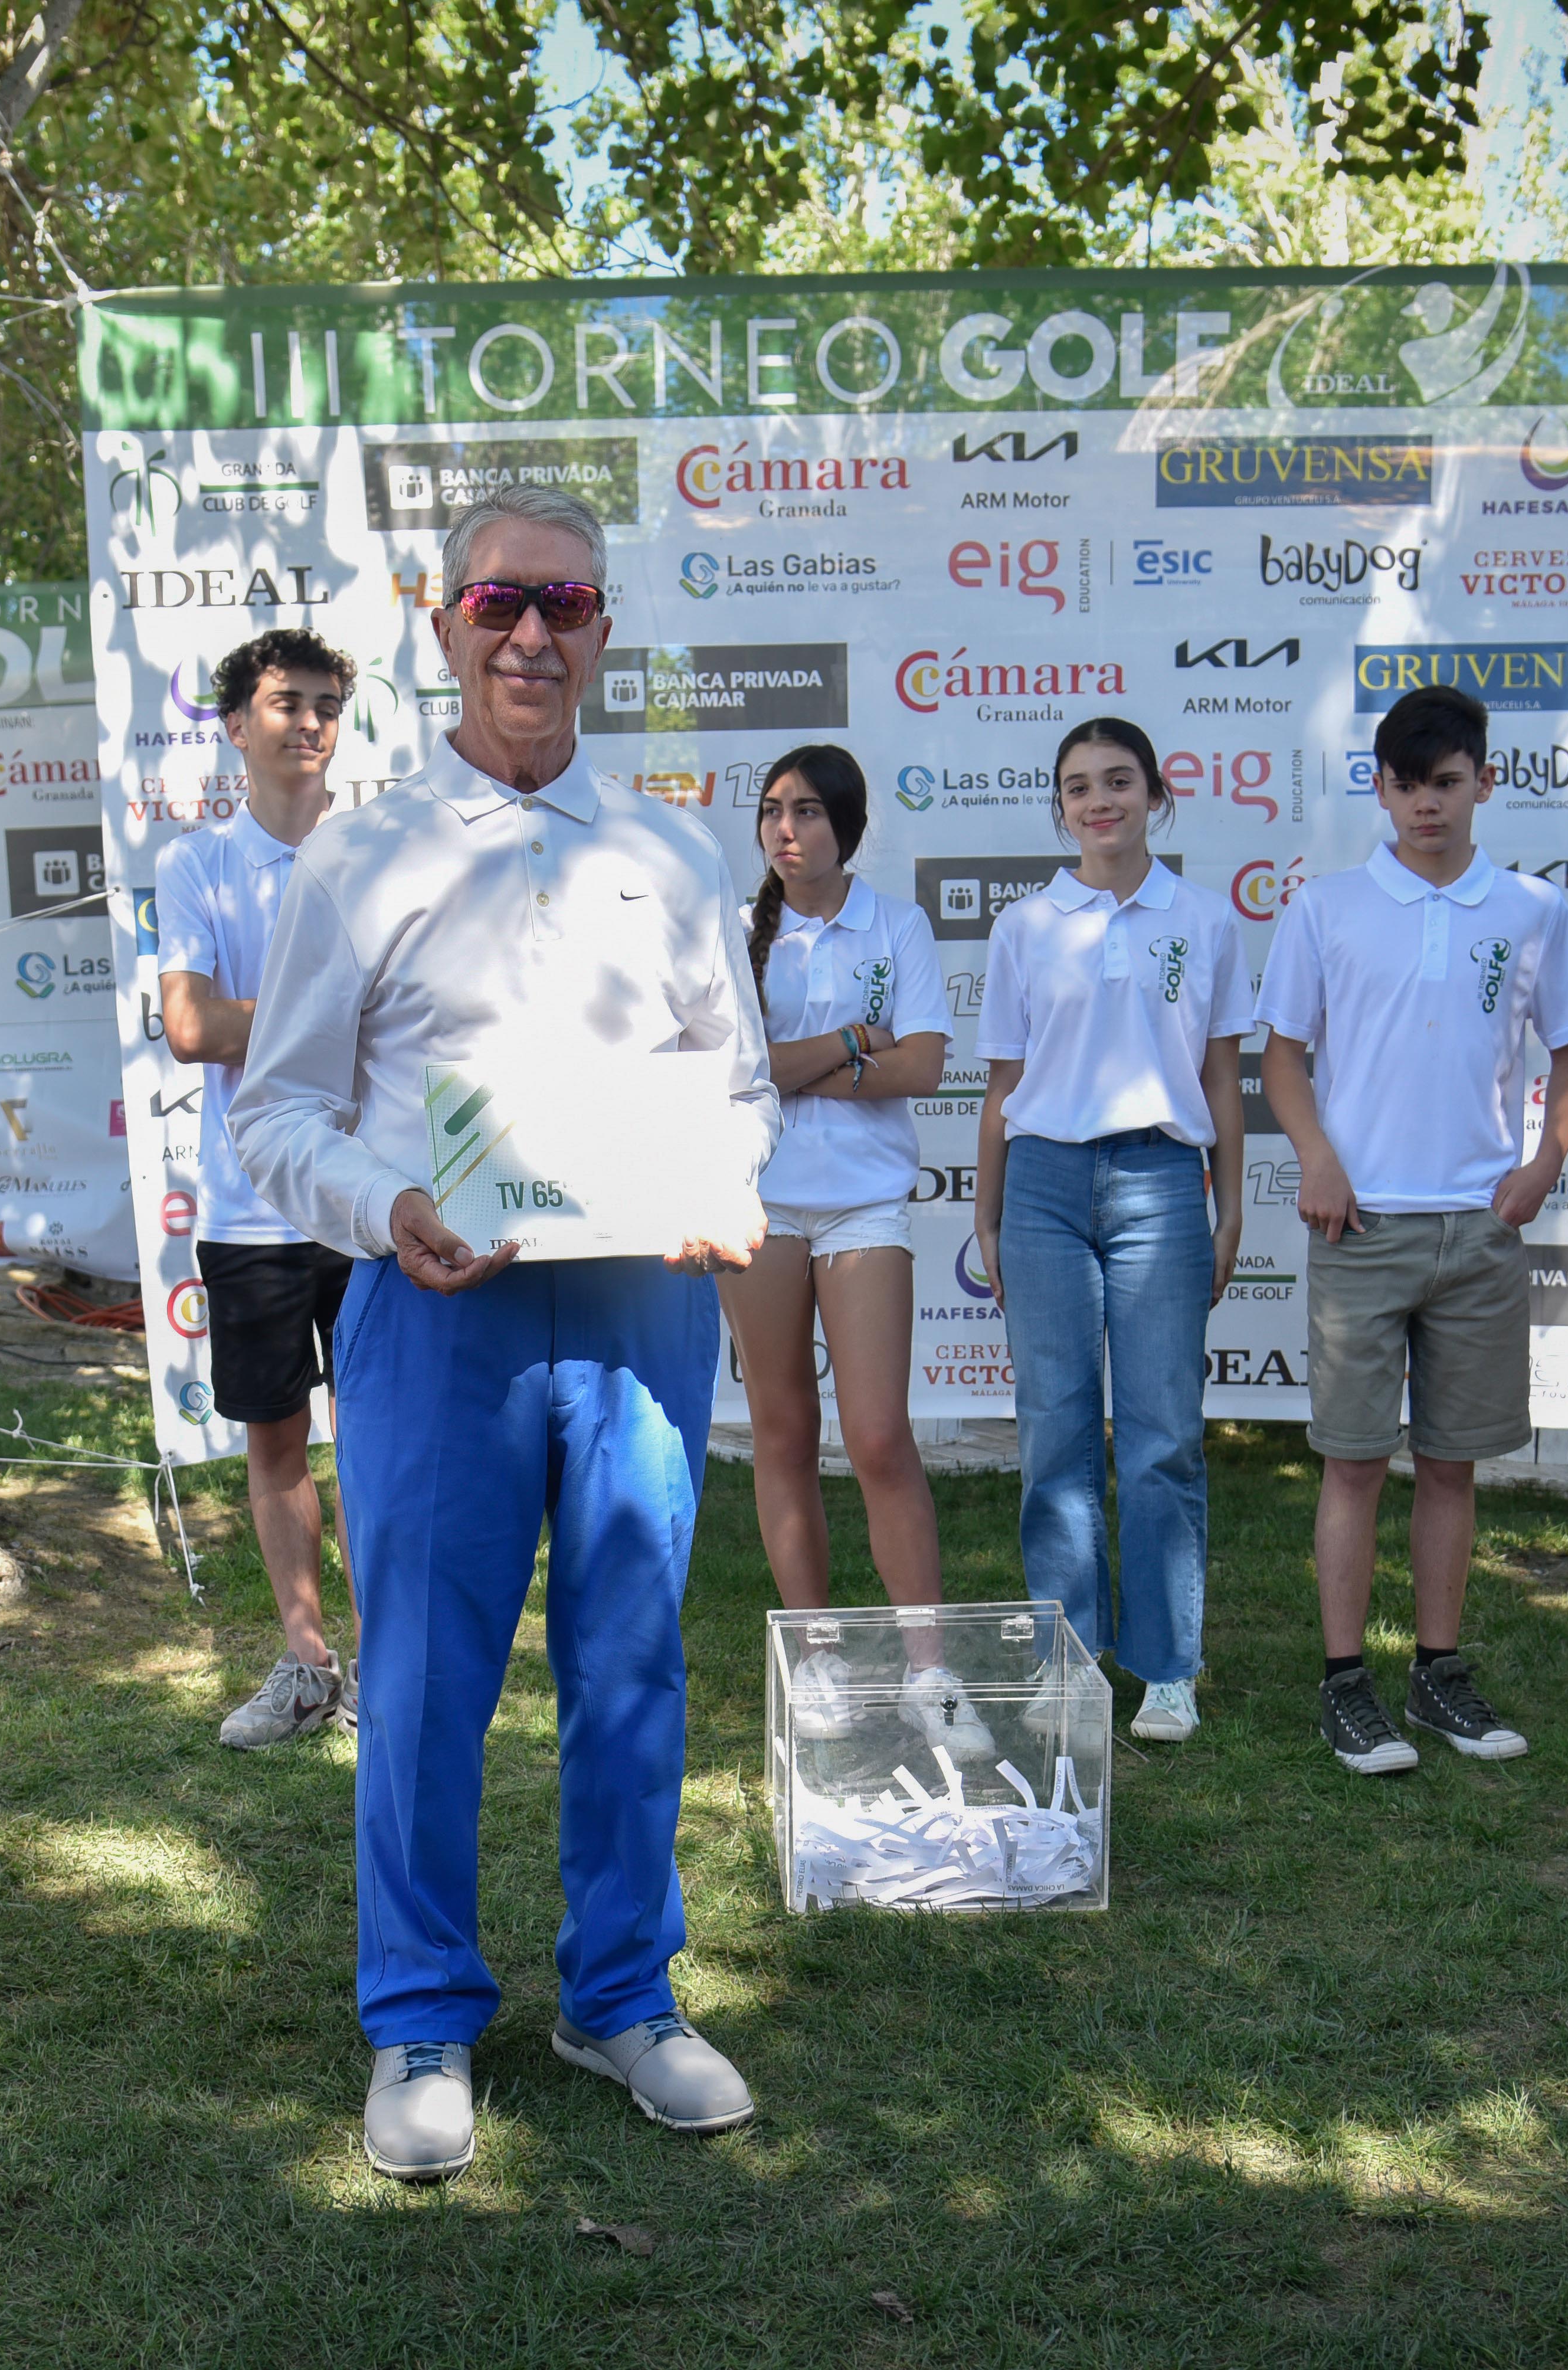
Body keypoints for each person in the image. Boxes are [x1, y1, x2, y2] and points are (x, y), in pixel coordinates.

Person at [228, 485, 778, 2184]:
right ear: (446, 623)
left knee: (627, 1667)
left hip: (639, 1311)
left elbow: (739, 1088)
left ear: (605, 629)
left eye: (565, 603)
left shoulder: (679, 855)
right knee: (422, 1676)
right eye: (499, 604)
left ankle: (621, 1996)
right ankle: (418, 2016)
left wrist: (725, 1184)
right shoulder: (362, 853)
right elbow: (282, 1113)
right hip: (434, 1312)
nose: (532, 634)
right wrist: (384, 1205)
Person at [1256, 685, 1568, 1779]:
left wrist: (1544, 1163)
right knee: (1353, 1466)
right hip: (1362, 1225)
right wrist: (1316, 1156)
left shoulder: (1532, 911)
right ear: (1382, 788)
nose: (1425, 804)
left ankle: (1438, 1673)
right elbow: (1282, 1058)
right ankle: (1345, 1686)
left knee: (1451, 1468)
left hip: (1479, 1230)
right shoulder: (1327, 908)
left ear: (1485, 782)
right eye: (1405, 784)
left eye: (1446, 782)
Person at [972, 716, 1256, 1746]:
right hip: (1043, 1182)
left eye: (1119, 781)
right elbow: (1005, 1081)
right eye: (1080, 787)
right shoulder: (1024, 925)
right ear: (1060, 808)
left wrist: (1233, 1202)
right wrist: (987, 1209)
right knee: (1055, 1431)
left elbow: (1223, 1076)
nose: (1100, 801)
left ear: (1155, 794)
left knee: (1163, 1436)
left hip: (1161, 1182)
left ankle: (1168, 1667)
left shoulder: (1206, 920)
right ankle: (1068, 1655)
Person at [716, 744, 987, 1757]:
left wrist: (807, 1067)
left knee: (877, 1436)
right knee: (781, 1434)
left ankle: (930, 1670)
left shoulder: (897, 922)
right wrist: (849, 1043)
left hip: (866, 1205)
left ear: (849, 827)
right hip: (764, 1207)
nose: (786, 830)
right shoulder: (741, 931)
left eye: (808, 812)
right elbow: (740, 1073)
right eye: (772, 812)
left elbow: (921, 1063)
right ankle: (819, 1656)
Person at [159, 626, 362, 1750]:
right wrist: (327, 1022)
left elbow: (404, 1031)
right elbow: (192, 1027)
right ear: (236, 724)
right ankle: (305, 1666)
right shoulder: (198, 866)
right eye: (288, 702)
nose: (311, 721)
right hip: (250, 1210)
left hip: (374, 1201)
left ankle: (384, 1671)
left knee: (378, 1443)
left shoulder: (376, 853)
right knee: (275, 1443)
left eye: (328, 703)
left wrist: (272, 1026)